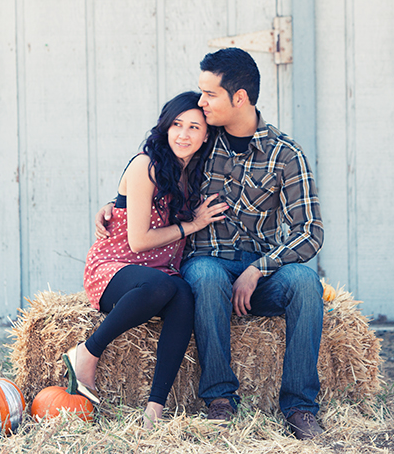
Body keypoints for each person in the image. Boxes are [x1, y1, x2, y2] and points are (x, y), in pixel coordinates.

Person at [95, 49, 326, 440]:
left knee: (306, 282)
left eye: (210, 94)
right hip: (208, 264)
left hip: (259, 271)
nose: (201, 103)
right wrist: (114, 206)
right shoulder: (200, 140)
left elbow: (311, 231)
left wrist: (259, 269)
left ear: (239, 98)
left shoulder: (286, 155)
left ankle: (300, 407)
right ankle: (219, 399)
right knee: (202, 274)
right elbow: (151, 176)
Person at [64, 91, 229, 430]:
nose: (183, 134)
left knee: (183, 293)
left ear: (206, 134)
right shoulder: (146, 165)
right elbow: (138, 241)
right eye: (176, 125)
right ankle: (87, 352)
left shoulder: (192, 173)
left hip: (160, 275)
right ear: (165, 129)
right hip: (116, 268)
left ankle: (154, 409)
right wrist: (192, 224)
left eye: (194, 127)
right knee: (163, 285)